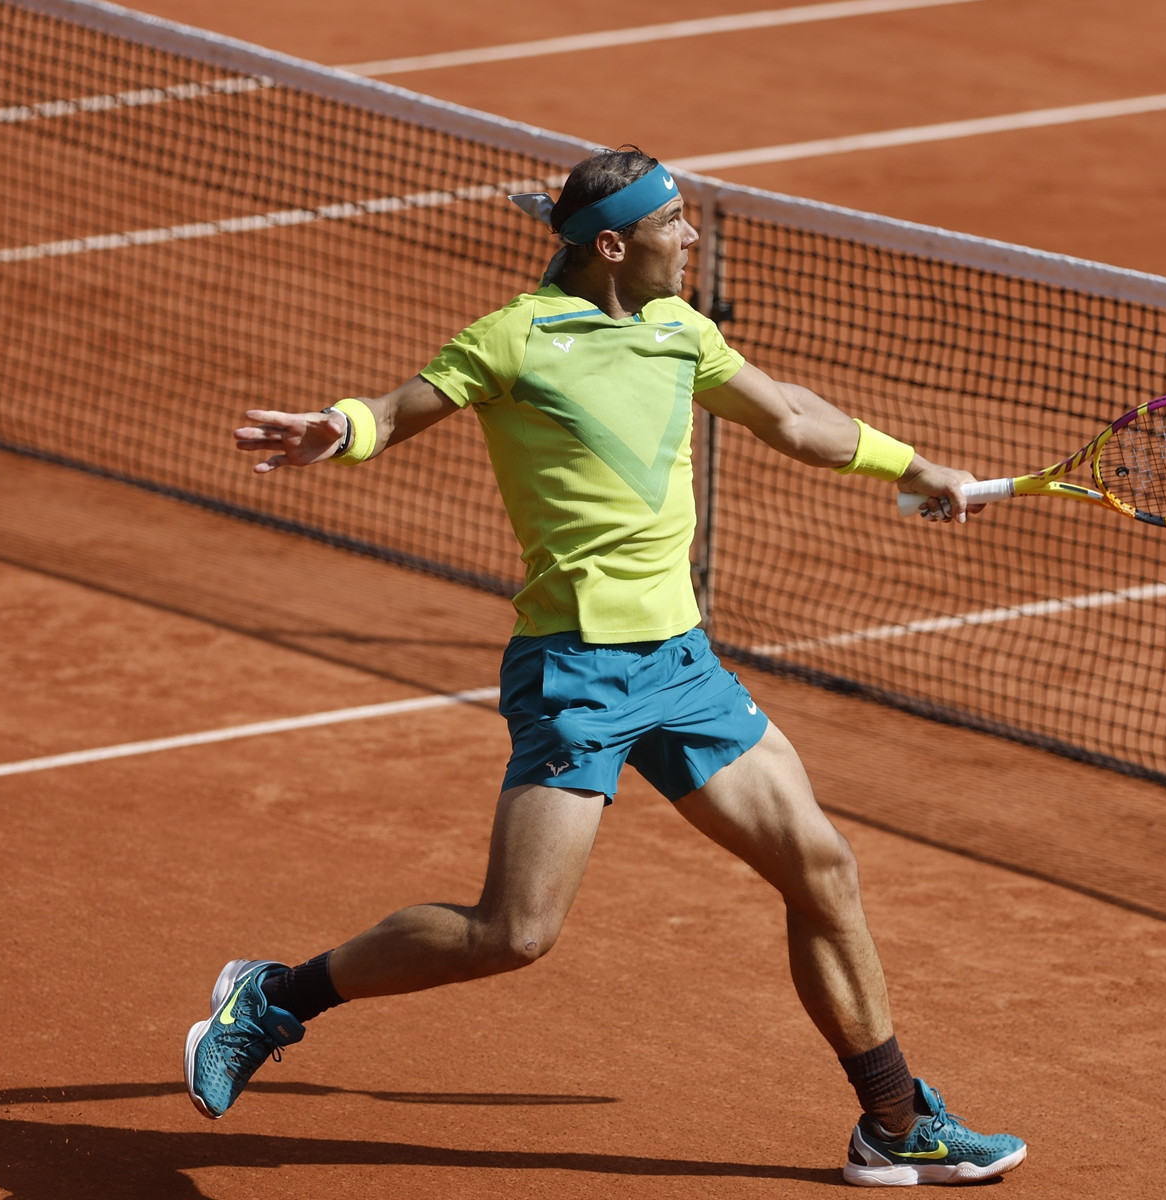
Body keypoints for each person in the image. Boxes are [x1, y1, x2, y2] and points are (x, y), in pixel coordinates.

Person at [194, 147, 1026, 1187]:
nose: (694, 237)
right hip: (576, 669)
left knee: (823, 868)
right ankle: (276, 996)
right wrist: (339, 427)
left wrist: (915, 464)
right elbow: (403, 407)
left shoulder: (682, 331)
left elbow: (794, 416)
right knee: (513, 931)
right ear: (613, 245)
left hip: (682, 664)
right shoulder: (515, 338)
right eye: (676, 222)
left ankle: (896, 1121)